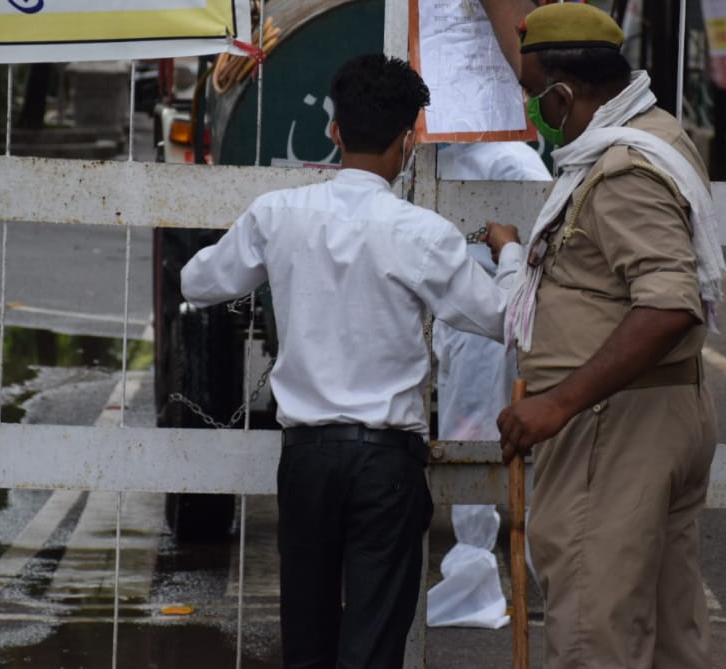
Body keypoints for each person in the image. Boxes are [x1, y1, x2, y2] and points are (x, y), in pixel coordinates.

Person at [421, 0, 726, 668]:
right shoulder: (648, 127)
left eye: (538, 98)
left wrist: (557, 404)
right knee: (663, 633)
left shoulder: (621, 170)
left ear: (565, 93)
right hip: (653, 414)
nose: (536, 111)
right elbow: (536, 42)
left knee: (594, 636)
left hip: (610, 430)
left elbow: (669, 303)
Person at [180, 53, 523, 669]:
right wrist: (512, 253)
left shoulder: (277, 215)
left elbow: (198, 282)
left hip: (307, 460)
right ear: (409, 139)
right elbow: (507, 320)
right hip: (386, 466)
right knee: (372, 646)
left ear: (334, 130)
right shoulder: (424, 234)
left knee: (306, 642)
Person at [426, 141, 550, 630]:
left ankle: (534, 572)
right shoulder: (429, 155)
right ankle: (475, 578)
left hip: (503, 312)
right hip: (460, 319)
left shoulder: (510, 160)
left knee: (502, 440)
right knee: (470, 435)